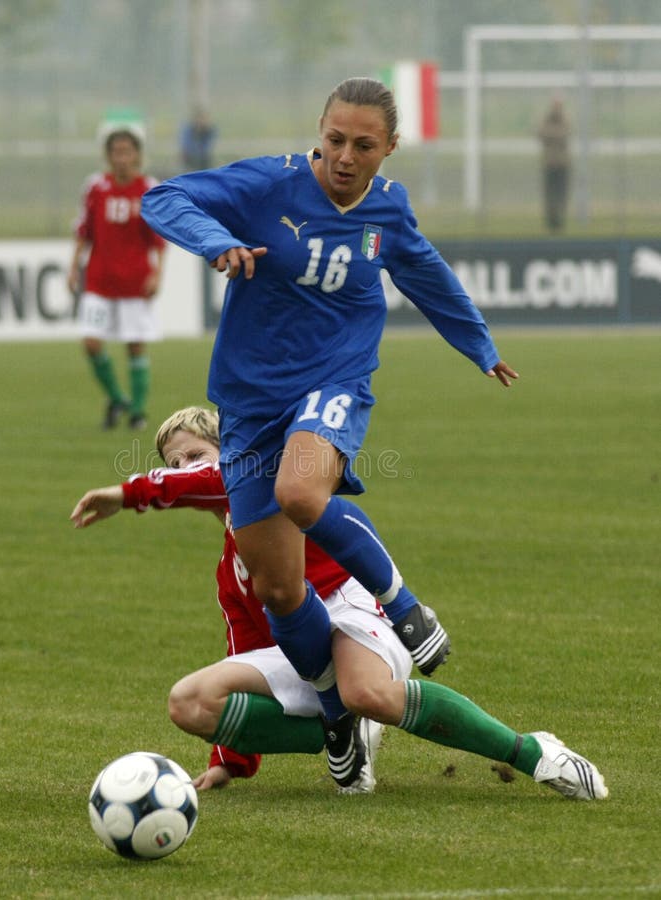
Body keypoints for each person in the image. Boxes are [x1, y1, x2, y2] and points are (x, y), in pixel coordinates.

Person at [140, 77, 520, 788]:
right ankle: (335, 714)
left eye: (364, 145)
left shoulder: (387, 209)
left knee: (302, 493)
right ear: (320, 131)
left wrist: (479, 345)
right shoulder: (267, 186)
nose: (345, 156)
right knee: (281, 591)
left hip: (334, 384)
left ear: (390, 148)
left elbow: (428, 275)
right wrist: (216, 240)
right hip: (251, 403)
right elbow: (163, 199)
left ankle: (406, 610)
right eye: (336, 139)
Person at [71, 407, 608, 801]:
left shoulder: (260, 474)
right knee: (188, 702)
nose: (185, 467)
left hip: (350, 609)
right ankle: (344, 732)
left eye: (195, 455)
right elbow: (247, 647)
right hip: (300, 648)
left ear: (227, 450)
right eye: (175, 461)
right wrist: (229, 760)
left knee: (365, 691)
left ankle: (534, 753)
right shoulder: (229, 566)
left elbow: (213, 478)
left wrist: (134, 491)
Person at [68, 123, 166, 430]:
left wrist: (157, 274)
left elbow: (158, 240)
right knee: (91, 343)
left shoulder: (148, 188)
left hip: (134, 280)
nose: (121, 157)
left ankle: (137, 411)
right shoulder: (96, 187)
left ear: (137, 154)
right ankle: (118, 397)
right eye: (115, 151)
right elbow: (85, 232)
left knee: (135, 345)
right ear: (108, 156)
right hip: (99, 279)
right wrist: (73, 267)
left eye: (127, 151)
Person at [537, 96, 572, 232]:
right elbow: (540, 133)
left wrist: (551, 134)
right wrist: (554, 134)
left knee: (561, 193)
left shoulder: (565, 118)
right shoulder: (546, 118)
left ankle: (559, 219)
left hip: (562, 163)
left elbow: (565, 133)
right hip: (549, 163)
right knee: (550, 193)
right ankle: (551, 219)